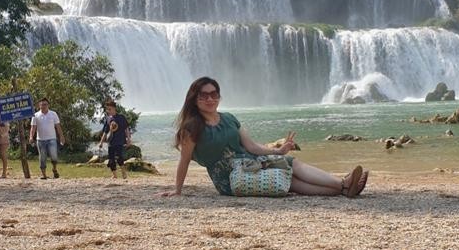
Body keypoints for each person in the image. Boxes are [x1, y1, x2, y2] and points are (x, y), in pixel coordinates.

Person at [160, 77, 368, 197]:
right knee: (289, 182)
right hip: (230, 178)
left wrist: (278, 150)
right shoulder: (191, 128)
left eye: (214, 94)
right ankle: (344, 185)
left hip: (252, 162)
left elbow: (251, 146)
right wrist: (177, 190)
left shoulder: (229, 118)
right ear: (194, 99)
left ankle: (343, 187)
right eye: (203, 95)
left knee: (290, 163)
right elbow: (184, 160)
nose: (209, 99)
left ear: (219, 96)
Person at [28, 98, 65, 179]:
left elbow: (58, 126)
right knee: (42, 157)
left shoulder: (53, 114)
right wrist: (31, 137)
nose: (43, 106)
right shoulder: (36, 115)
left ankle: (54, 169)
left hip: (52, 139)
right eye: (41, 104)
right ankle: (44, 175)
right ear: (39, 105)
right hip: (40, 140)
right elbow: (33, 128)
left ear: (48, 105)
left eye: (45, 104)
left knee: (54, 157)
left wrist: (61, 136)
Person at [98, 98, 131, 179]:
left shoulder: (121, 117)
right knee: (111, 160)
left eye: (110, 109)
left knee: (120, 158)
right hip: (111, 142)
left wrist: (129, 140)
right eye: (107, 109)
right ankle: (114, 175)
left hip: (119, 142)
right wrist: (101, 142)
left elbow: (126, 129)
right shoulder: (108, 119)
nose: (108, 111)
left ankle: (124, 173)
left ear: (114, 108)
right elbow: (105, 132)